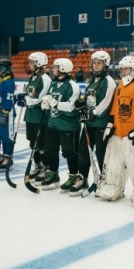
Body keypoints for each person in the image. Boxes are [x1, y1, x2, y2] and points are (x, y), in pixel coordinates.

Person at [95, 55, 134, 206]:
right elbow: (114, 110)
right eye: (121, 69)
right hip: (118, 132)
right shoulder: (120, 86)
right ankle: (112, 186)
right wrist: (110, 125)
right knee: (114, 162)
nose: (123, 72)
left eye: (126, 69)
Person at [74, 50, 116, 195]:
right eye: (94, 62)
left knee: (101, 154)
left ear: (106, 64)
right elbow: (87, 99)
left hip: (101, 125)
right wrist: (81, 105)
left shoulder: (108, 81)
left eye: (99, 63)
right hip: (89, 123)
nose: (96, 65)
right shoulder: (92, 80)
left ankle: (106, 181)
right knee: (83, 152)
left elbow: (106, 102)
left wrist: (92, 113)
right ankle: (83, 177)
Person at [39, 58, 81, 191]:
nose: (53, 69)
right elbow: (50, 100)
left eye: (56, 67)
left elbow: (72, 107)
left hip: (68, 125)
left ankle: (73, 175)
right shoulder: (53, 84)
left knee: (69, 152)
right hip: (53, 123)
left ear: (63, 69)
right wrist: (46, 103)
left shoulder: (72, 85)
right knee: (49, 150)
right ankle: (54, 174)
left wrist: (55, 103)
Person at [16, 52, 52, 181]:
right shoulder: (33, 77)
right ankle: (38, 166)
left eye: (31, 62)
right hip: (30, 116)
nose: (29, 65)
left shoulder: (45, 78)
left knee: (41, 143)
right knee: (33, 143)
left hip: (40, 116)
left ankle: (46, 167)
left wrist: (25, 99)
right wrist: (23, 96)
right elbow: (31, 94)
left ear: (39, 63)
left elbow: (39, 99)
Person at [0, 59, 16, 170]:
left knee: (7, 136)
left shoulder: (9, 82)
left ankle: (8, 158)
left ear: (4, 69)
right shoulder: (1, 81)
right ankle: (4, 155)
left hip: (6, 112)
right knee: (1, 135)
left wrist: (4, 113)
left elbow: (9, 99)